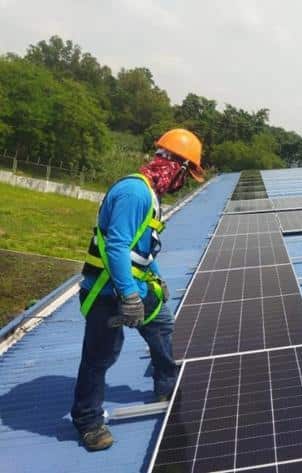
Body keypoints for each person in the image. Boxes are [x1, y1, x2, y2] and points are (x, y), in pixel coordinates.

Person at [71, 129, 204, 451]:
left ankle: (165, 385)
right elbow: (116, 247)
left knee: (162, 327)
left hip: (135, 284)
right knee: (100, 357)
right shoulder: (135, 192)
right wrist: (129, 295)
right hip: (108, 291)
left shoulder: (150, 193)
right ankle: (88, 421)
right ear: (178, 166)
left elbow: (141, 248)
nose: (183, 183)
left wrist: (156, 278)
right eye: (187, 174)